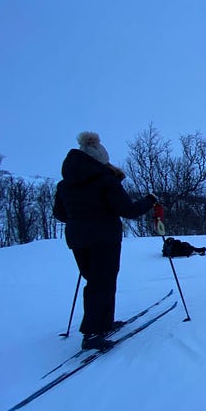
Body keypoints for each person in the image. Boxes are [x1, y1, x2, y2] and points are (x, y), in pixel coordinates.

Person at [53, 131, 158, 350]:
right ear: (99, 158)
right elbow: (128, 210)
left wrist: (80, 216)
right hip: (104, 238)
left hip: (77, 239)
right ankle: (91, 333)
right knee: (103, 282)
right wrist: (149, 201)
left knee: (96, 281)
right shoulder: (105, 181)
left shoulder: (64, 184)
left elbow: (60, 214)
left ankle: (103, 324)